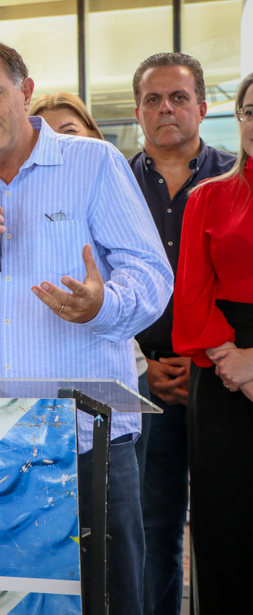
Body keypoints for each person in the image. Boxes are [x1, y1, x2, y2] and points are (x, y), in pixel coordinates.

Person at [0, 37, 173, 615]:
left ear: (24, 92)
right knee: (6, 605)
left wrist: (101, 306)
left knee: (110, 598)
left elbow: (152, 277)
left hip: (86, 441)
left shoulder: (94, 164)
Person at [128, 53, 234, 615]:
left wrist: (204, 362)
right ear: (138, 111)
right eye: (152, 99)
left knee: (226, 524)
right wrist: (144, 362)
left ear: (202, 106)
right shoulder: (114, 182)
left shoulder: (234, 180)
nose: (165, 108)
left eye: (178, 97)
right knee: (154, 529)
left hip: (223, 379)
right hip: (143, 379)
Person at [30, 93, 154, 482]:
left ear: (92, 135)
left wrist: (100, 306)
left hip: (110, 393)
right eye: (44, 135)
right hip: (29, 412)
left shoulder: (103, 174)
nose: (57, 143)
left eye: (68, 132)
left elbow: (146, 275)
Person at [172, 71, 253, 613]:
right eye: (250, 111)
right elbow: (191, 300)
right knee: (229, 534)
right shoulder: (209, 197)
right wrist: (237, 365)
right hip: (224, 375)